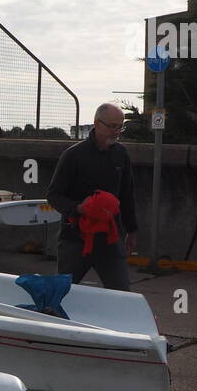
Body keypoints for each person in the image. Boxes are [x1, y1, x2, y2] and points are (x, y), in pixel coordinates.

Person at [46, 103, 138, 291]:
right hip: (75, 238)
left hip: (110, 238)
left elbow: (127, 195)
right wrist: (79, 208)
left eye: (120, 127)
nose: (116, 131)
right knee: (62, 293)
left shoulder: (121, 155)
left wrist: (132, 230)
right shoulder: (73, 155)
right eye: (112, 126)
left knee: (122, 294)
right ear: (96, 123)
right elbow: (53, 195)